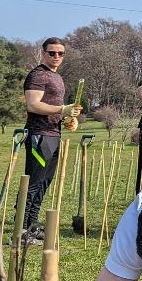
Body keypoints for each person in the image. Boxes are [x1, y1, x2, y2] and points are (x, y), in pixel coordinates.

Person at [22, 37, 82, 241]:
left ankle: (32, 226)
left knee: (44, 183)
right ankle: (22, 230)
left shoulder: (56, 77)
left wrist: (66, 119)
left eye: (60, 53)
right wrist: (61, 109)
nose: (56, 56)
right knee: (34, 182)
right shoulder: (38, 75)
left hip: (53, 134)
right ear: (43, 53)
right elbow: (33, 105)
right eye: (52, 53)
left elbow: (54, 108)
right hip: (39, 136)